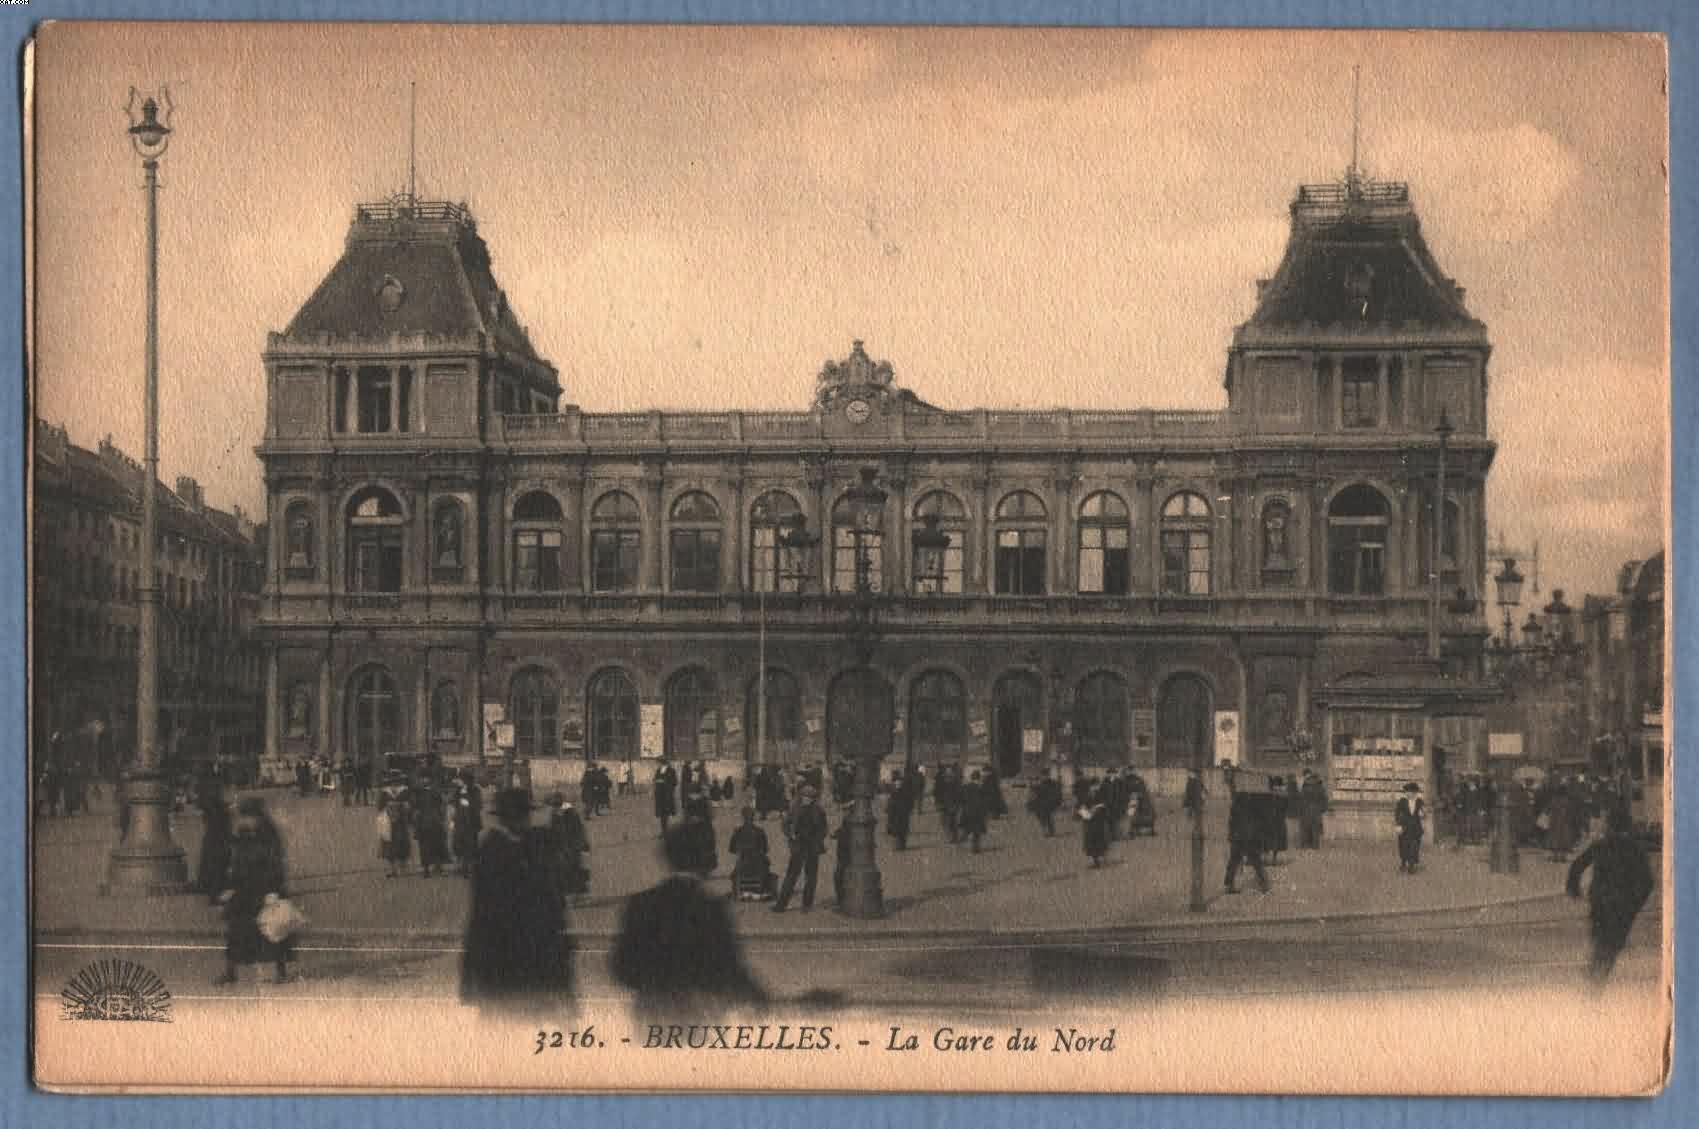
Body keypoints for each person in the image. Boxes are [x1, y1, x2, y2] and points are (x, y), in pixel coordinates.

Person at [612, 822, 767, 1019]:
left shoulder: (639, 904)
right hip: (698, 1015)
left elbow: (621, 967)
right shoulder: (711, 908)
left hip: (651, 1014)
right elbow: (729, 969)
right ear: (703, 860)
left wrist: (654, 986)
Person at [460, 788, 574, 1016]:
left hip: (514, 956)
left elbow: (478, 917)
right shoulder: (504, 850)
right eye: (522, 815)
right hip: (518, 954)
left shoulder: (499, 847)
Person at [1566, 808, 1655, 985]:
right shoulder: (1635, 849)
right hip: (1622, 904)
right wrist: (1635, 903)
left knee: (1601, 937)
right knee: (1613, 943)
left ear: (1610, 826)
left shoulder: (1602, 844)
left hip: (1600, 899)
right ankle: (1597, 976)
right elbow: (1648, 881)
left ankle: (1595, 973)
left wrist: (1574, 888)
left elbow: (1577, 865)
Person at [214, 798, 292, 986]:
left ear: (255, 817)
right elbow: (236, 863)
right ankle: (230, 971)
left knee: (273, 930)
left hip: (264, 889)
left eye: (245, 817)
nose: (241, 821)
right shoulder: (243, 834)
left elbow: (275, 864)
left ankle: (280, 972)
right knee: (236, 931)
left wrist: (273, 890)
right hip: (245, 890)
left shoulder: (268, 835)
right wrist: (230, 887)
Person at [772, 784, 828, 913]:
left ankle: (806, 906)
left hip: (812, 847)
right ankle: (781, 905)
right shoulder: (794, 808)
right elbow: (785, 824)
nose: (807, 799)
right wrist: (790, 835)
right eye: (805, 796)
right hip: (798, 846)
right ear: (801, 796)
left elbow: (823, 829)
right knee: (791, 876)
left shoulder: (819, 810)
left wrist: (818, 840)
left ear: (814, 798)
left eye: (810, 797)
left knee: (811, 877)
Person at [1224, 789, 1270, 894]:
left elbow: (1231, 823)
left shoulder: (1236, 805)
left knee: (1233, 861)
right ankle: (1264, 884)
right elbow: (1258, 823)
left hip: (1238, 837)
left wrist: (1231, 836)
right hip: (1249, 838)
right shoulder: (1254, 805)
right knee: (1256, 861)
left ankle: (1228, 885)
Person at [194, 788, 234, 906]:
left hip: (214, 841)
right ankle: (216, 893)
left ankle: (213, 892)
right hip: (219, 842)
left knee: (214, 866)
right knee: (218, 867)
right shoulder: (221, 812)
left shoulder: (213, 811)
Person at [729, 806, 776, 900]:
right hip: (758, 865)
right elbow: (765, 849)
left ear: (742, 817)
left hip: (743, 864)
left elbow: (732, 849)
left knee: (734, 872)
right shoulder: (760, 831)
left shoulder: (737, 831)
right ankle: (760, 891)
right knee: (767, 866)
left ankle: (742, 891)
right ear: (754, 817)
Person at [550, 796, 591, 899]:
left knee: (573, 871)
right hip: (568, 848)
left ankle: (575, 894)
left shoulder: (567, 815)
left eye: (556, 805)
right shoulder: (561, 815)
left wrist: (583, 843)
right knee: (570, 871)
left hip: (570, 848)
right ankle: (573, 894)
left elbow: (578, 830)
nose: (556, 807)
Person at [413, 779, 450, 878]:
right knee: (437, 844)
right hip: (433, 821)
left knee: (426, 846)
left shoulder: (419, 793)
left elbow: (415, 810)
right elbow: (443, 808)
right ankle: (436, 868)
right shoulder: (435, 792)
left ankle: (428, 869)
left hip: (426, 822)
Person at [379, 775, 412, 878]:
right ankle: (394, 869)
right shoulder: (385, 792)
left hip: (400, 822)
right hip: (390, 822)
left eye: (396, 782)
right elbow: (380, 807)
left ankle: (402, 868)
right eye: (393, 782)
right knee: (390, 844)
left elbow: (409, 805)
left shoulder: (404, 791)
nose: (394, 785)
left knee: (400, 843)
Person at [451, 770, 483, 877]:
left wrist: (467, 803)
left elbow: (478, 805)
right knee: (460, 843)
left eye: (461, 779)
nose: (459, 781)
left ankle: (469, 867)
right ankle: (463, 866)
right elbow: (453, 802)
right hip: (460, 820)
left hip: (471, 821)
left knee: (471, 844)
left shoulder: (475, 790)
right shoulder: (458, 790)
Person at [1395, 782, 1427, 874]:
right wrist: (1398, 825)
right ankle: (1404, 862)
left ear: (1414, 793)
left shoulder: (1419, 801)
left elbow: (1424, 814)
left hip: (1416, 828)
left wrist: (1423, 814)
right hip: (1405, 827)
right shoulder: (1402, 801)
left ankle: (1412, 865)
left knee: (1414, 847)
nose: (1407, 793)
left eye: (1409, 792)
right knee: (1404, 846)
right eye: (1406, 792)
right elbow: (1397, 814)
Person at [959, 769, 990, 853]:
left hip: (967, 811)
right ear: (978, 778)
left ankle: (964, 836)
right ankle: (975, 847)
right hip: (977, 812)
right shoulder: (981, 787)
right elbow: (984, 801)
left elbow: (961, 798)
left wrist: (964, 807)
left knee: (968, 827)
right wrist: (985, 812)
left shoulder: (965, 786)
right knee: (977, 831)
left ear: (972, 777)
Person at [1298, 770, 1328, 848]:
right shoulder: (1320, 787)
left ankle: (1304, 845)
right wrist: (1322, 809)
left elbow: (1302, 798)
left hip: (1306, 809)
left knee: (1305, 827)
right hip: (1316, 810)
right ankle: (1315, 845)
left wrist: (1302, 808)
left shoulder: (1305, 786)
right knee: (1315, 828)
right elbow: (1324, 799)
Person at [886, 769, 915, 850]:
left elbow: (908, 799)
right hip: (899, 811)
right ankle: (899, 844)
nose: (898, 784)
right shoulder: (894, 787)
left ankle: (900, 844)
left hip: (900, 811)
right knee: (899, 829)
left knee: (900, 828)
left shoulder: (898, 787)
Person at [1028, 771, 1062, 836]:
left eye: (1046, 775)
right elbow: (1036, 791)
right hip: (1042, 804)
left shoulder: (1052, 783)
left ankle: (1049, 831)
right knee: (1042, 817)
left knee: (1046, 817)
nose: (1044, 777)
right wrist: (1031, 785)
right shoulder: (1042, 784)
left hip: (1049, 803)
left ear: (1048, 775)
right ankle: (1047, 830)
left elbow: (1056, 792)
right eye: (1043, 776)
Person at [1082, 788, 1111, 867]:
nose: (1092, 793)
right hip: (1090, 827)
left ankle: (1101, 860)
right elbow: (1083, 810)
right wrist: (1084, 811)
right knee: (1092, 845)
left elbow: (1105, 813)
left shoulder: (1101, 802)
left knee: (1099, 844)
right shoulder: (1087, 800)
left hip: (1099, 827)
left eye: (1093, 791)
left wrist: (1095, 811)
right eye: (1091, 791)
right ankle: (1096, 861)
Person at [654, 760, 678, 838]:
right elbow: (655, 779)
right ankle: (664, 831)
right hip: (660, 796)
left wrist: (665, 783)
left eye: (661, 763)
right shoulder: (658, 770)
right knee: (662, 814)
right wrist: (657, 782)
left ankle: (666, 831)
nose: (659, 764)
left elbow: (675, 782)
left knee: (666, 814)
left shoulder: (671, 771)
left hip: (667, 795)